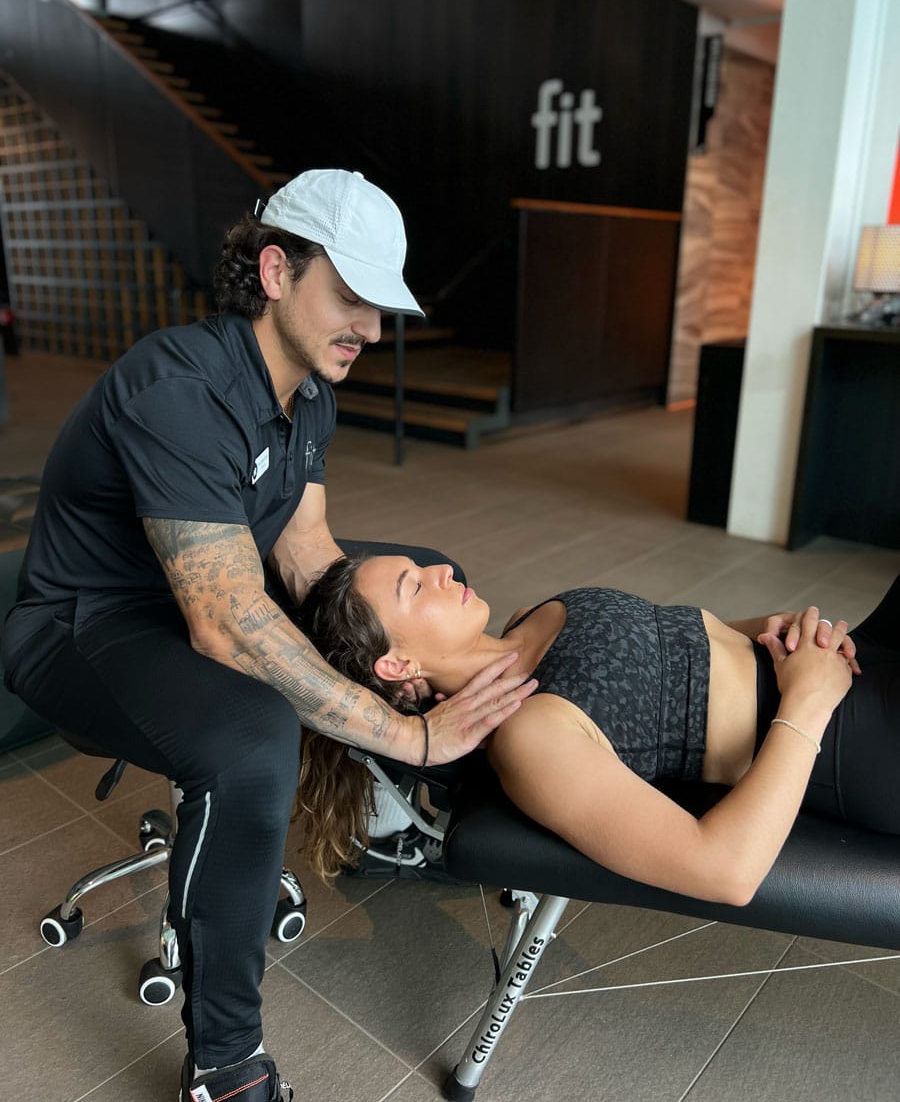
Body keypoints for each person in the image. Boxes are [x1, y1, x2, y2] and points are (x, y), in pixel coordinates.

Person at [0, 170, 534, 1102]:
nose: (371, 330)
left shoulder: (308, 394)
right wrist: (404, 728)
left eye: (379, 307)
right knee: (253, 737)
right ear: (278, 270)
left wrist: (396, 645)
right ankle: (225, 1067)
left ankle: (441, 804)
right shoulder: (177, 385)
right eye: (353, 299)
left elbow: (304, 554)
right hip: (82, 628)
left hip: (196, 601)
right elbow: (230, 625)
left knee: (423, 574)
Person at [297, 553, 900, 905]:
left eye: (421, 566)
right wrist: (808, 697)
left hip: (837, 663)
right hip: (847, 740)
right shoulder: (530, 736)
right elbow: (727, 871)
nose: (439, 570)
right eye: (414, 586)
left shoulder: (528, 618)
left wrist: (773, 630)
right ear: (398, 666)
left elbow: (679, 640)